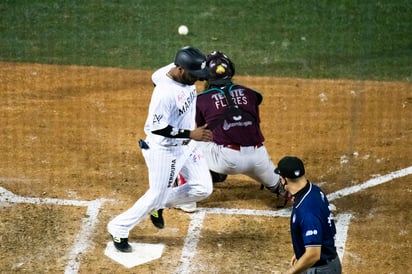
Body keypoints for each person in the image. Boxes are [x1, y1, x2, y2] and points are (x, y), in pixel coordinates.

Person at [107, 46, 214, 252]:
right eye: (195, 75)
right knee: (156, 193)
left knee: (203, 188)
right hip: (166, 150)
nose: (198, 80)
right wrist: (190, 134)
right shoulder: (165, 94)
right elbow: (156, 129)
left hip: (187, 146)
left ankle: (158, 205)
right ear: (180, 69)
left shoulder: (171, 73)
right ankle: (119, 227)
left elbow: (154, 76)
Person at [176, 50, 287, 212]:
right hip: (259, 158)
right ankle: (282, 187)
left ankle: (186, 198)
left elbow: (201, 131)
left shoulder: (200, 100)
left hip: (227, 161)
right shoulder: (251, 94)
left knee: (186, 141)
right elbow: (256, 100)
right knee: (286, 187)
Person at [275, 156, 342, 274]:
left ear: (285, 179)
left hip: (320, 269)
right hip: (325, 265)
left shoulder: (307, 211)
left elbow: (313, 255)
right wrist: (300, 252)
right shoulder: (314, 191)